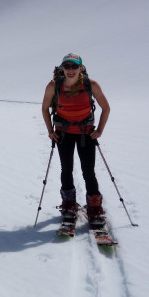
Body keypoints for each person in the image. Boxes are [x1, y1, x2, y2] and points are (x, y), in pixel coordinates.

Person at [41, 53, 111, 226]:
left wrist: (100, 130)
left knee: (88, 171)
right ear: (62, 68)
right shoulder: (53, 86)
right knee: (66, 169)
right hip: (63, 133)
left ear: (81, 68)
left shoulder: (91, 85)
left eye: (74, 66)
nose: (70, 70)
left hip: (85, 133)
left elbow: (106, 108)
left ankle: (94, 208)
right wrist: (50, 131)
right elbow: (44, 108)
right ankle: (69, 204)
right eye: (67, 66)